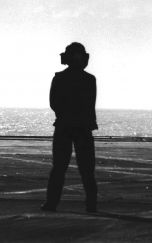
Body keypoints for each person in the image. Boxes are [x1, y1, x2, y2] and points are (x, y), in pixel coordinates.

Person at [42, 42, 98, 213]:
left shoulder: (59, 78)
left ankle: (52, 204)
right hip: (82, 127)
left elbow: (54, 103)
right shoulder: (89, 80)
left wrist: (66, 114)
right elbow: (89, 104)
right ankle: (91, 205)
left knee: (59, 168)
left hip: (65, 127)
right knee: (86, 169)